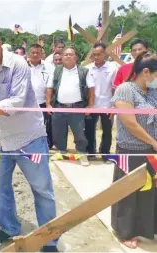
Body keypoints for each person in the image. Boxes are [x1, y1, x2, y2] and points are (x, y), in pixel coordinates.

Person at [0, 27, 58, 252]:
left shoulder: (18, 64)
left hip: (29, 138)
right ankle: (10, 228)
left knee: (41, 189)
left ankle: (49, 240)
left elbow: (18, 101)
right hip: (0, 141)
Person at [110, 52, 157, 249]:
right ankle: (126, 231)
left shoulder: (152, 92)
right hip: (131, 150)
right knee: (129, 192)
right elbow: (130, 123)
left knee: (149, 192)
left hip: (151, 150)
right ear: (146, 72)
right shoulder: (125, 90)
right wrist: (153, 142)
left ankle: (147, 228)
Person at [46, 47, 95, 166]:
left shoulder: (84, 71)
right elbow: (49, 87)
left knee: (79, 133)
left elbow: (91, 89)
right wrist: (48, 104)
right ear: (62, 57)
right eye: (66, 54)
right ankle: (61, 151)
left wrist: (90, 105)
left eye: (71, 54)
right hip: (59, 107)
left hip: (77, 108)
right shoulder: (56, 70)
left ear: (75, 57)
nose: (68, 56)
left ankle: (81, 154)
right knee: (58, 132)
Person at [84, 43, 118, 159]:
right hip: (91, 105)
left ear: (105, 54)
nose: (96, 57)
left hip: (107, 105)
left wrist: (114, 105)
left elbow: (115, 88)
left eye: (99, 54)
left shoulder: (113, 69)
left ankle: (105, 152)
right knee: (89, 129)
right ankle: (91, 152)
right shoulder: (87, 68)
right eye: (94, 55)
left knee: (107, 131)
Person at [28, 44, 55, 148]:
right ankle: (29, 145)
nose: (35, 55)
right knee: (28, 126)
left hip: (43, 102)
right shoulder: (22, 66)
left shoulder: (49, 66)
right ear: (29, 54)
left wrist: (48, 103)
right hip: (26, 103)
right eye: (33, 52)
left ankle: (46, 146)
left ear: (41, 54)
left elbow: (50, 86)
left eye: (37, 52)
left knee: (44, 126)